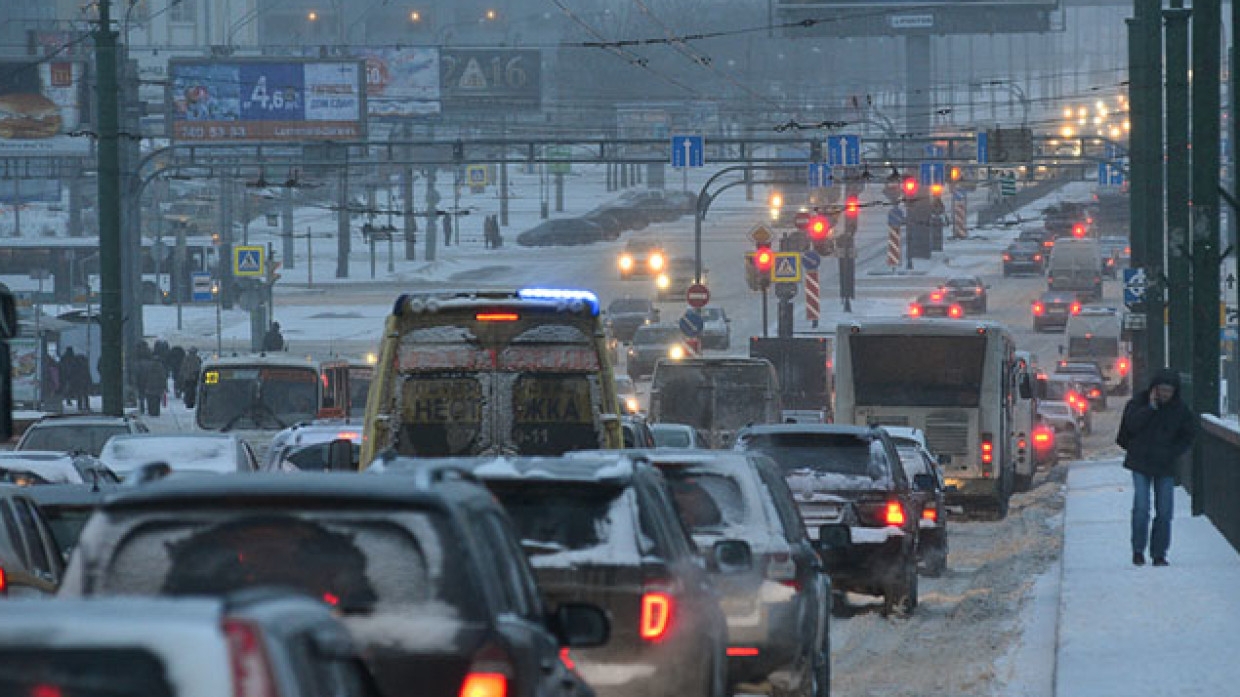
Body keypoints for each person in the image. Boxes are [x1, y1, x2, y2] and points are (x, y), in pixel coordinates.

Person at [1116, 368, 1196, 567]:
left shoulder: (1180, 410)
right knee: (1141, 507)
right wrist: (1150, 408)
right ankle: (1138, 551)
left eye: (1168, 391)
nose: (1164, 395)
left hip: (1165, 464)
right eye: (1161, 390)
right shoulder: (1139, 403)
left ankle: (1159, 554)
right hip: (1140, 462)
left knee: (1165, 511)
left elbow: (1188, 435)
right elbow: (1131, 425)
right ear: (1154, 389)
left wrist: (1173, 451)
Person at [140, 353, 167, 417]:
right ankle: (156, 412)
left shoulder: (148, 366)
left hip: (149, 386)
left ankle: (150, 411)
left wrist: (144, 384)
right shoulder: (161, 367)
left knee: (150, 399)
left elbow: (145, 376)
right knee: (157, 400)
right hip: (158, 387)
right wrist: (164, 386)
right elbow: (163, 377)